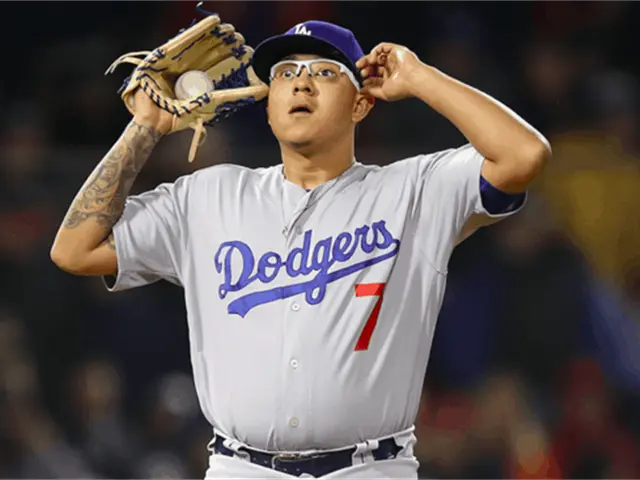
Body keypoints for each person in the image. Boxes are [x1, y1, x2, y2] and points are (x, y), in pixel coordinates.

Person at [50, 19, 550, 480]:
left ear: (361, 104)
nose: (302, 83)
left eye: (325, 72)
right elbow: (74, 250)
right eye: (286, 73)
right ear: (269, 107)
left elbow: (524, 154)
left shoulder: (413, 191)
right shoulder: (207, 197)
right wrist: (145, 127)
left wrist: (421, 78)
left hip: (371, 469)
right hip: (240, 469)